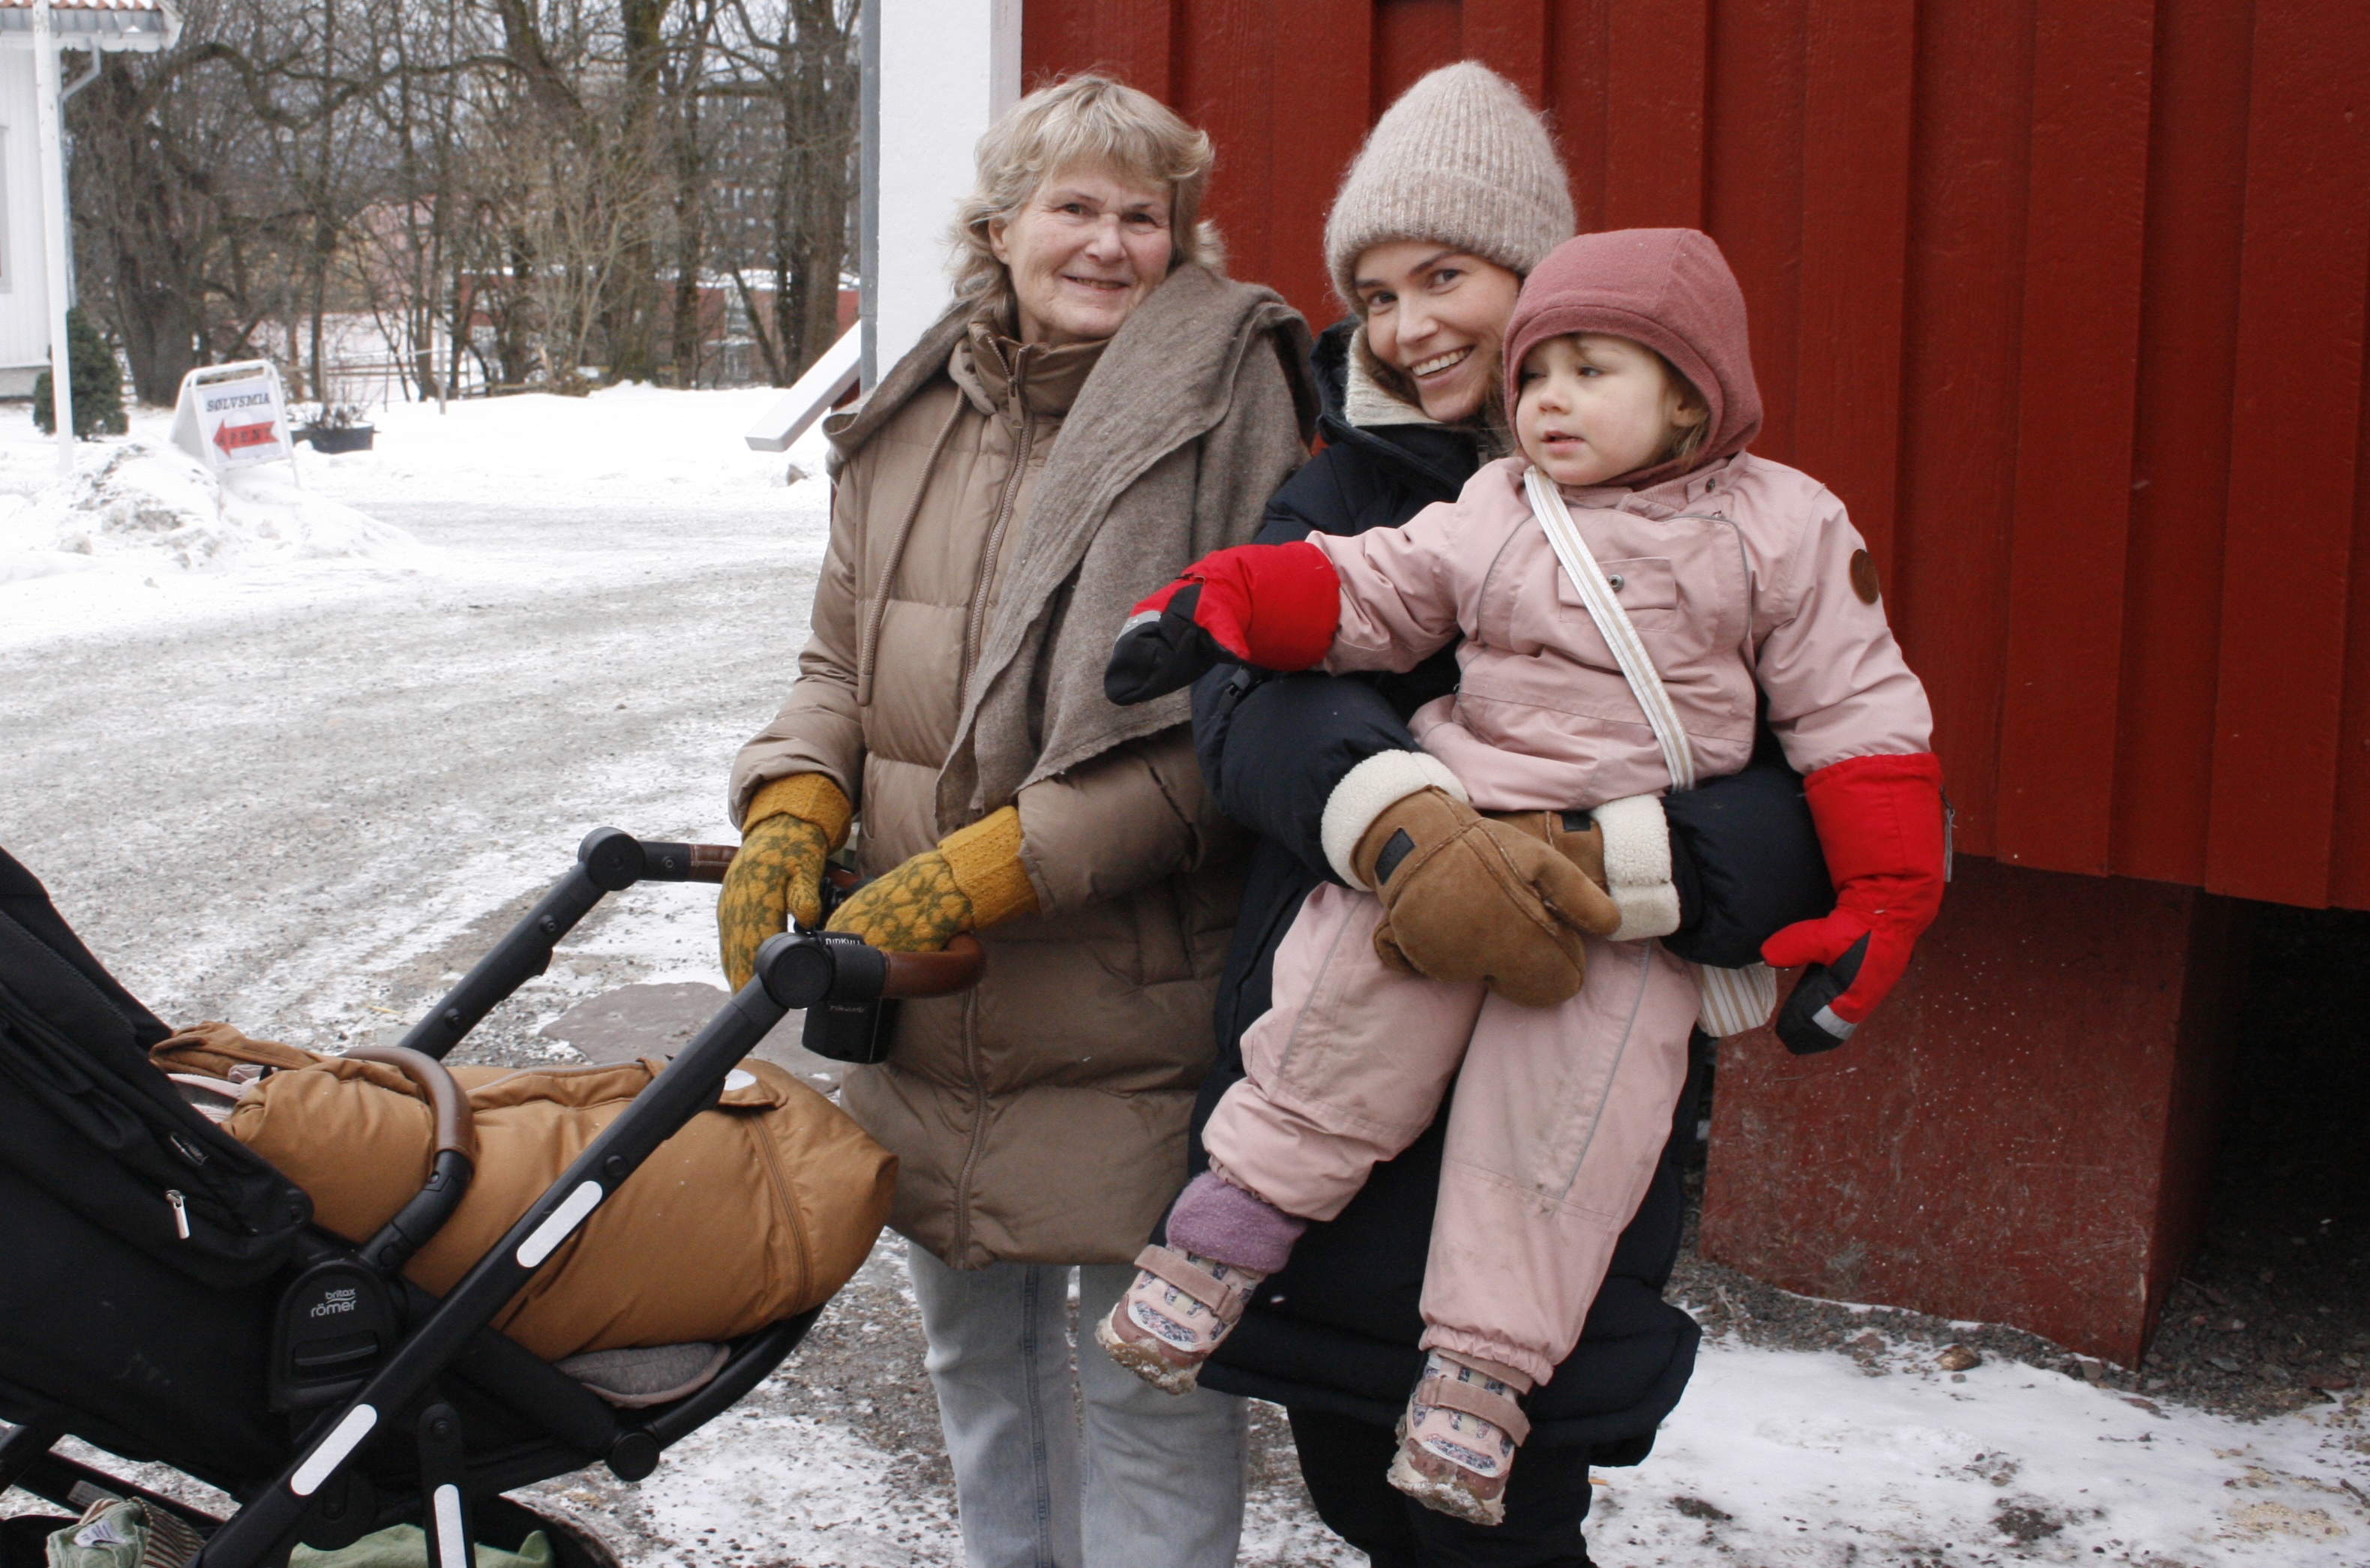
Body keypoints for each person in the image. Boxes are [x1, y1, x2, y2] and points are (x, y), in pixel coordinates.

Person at [1101, 226, 1946, 1526]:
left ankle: (1483, 1376)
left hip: (1622, 908)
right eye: (1538, 374)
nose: (1549, 399)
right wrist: (1223, 601)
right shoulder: (1499, 504)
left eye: (1591, 371)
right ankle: (1224, 1238)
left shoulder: (1783, 526)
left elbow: (1854, 711)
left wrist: (1886, 893)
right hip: (1457, 829)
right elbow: (1374, 586)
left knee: (1562, 1128)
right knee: (1335, 1021)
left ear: (1691, 394)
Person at [712, 75, 1313, 1568]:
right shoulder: (912, 417)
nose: (1108, 242)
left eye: (1142, 215)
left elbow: (1234, 730)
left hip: (1133, 992)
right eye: (1074, 207)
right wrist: (791, 801)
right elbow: (837, 668)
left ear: (1179, 236)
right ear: (999, 227)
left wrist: (1004, 861)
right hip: (927, 989)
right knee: (978, 1370)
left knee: (1149, 1383)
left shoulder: (1235, 407)